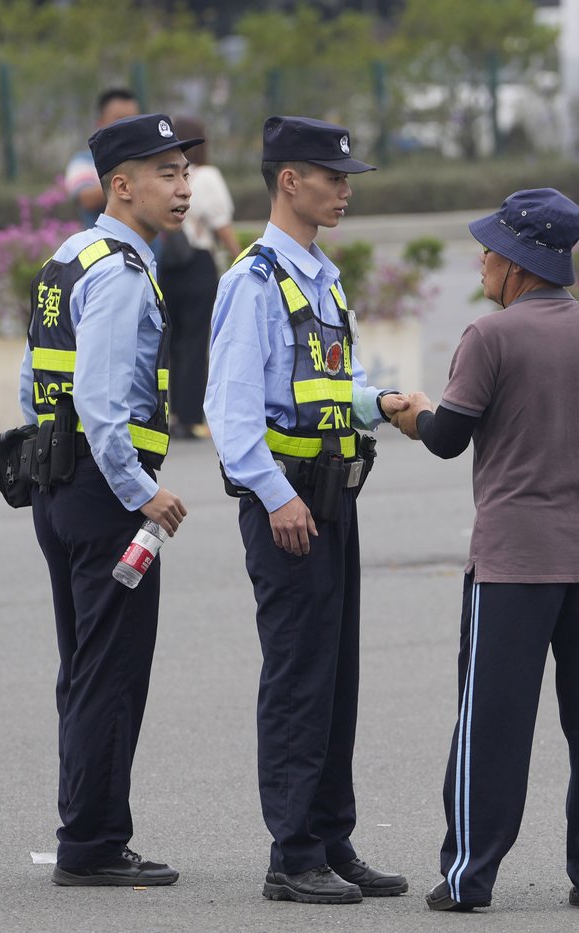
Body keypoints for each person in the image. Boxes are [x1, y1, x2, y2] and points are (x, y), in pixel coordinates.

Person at [390, 188, 579, 912]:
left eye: (491, 248)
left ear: (521, 262)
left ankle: (469, 877)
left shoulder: (488, 338)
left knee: (492, 726)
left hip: (512, 571)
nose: (483, 258)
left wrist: (413, 412)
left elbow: (447, 438)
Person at [205, 115, 410, 906]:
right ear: (289, 180)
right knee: (297, 678)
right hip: (287, 504)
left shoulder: (319, 277)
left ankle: (330, 836)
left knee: (335, 677)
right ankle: (291, 853)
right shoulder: (252, 281)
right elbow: (230, 414)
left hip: (330, 499)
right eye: (333, 176)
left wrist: (377, 400)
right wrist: (277, 495)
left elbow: (317, 389)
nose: (345, 189)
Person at [22, 113, 197, 886]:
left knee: (85, 665)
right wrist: (143, 491)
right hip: (104, 496)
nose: (184, 186)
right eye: (166, 173)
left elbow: (38, 383)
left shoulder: (69, 256)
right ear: (121, 186)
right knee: (110, 671)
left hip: (56, 487)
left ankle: (84, 831)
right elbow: (100, 399)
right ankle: (92, 844)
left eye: (186, 171)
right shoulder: (121, 272)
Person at [156, 116, 238, 440]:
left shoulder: (164, 177)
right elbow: (222, 224)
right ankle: (190, 418)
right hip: (198, 262)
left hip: (169, 264)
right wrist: (241, 255)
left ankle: (172, 413)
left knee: (172, 342)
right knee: (194, 341)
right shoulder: (208, 177)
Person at [64, 89, 140, 229]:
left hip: (150, 249)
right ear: (100, 123)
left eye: (133, 119)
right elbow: (87, 200)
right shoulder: (84, 162)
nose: (128, 126)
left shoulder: (148, 157)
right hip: (104, 248)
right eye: (119, 119)